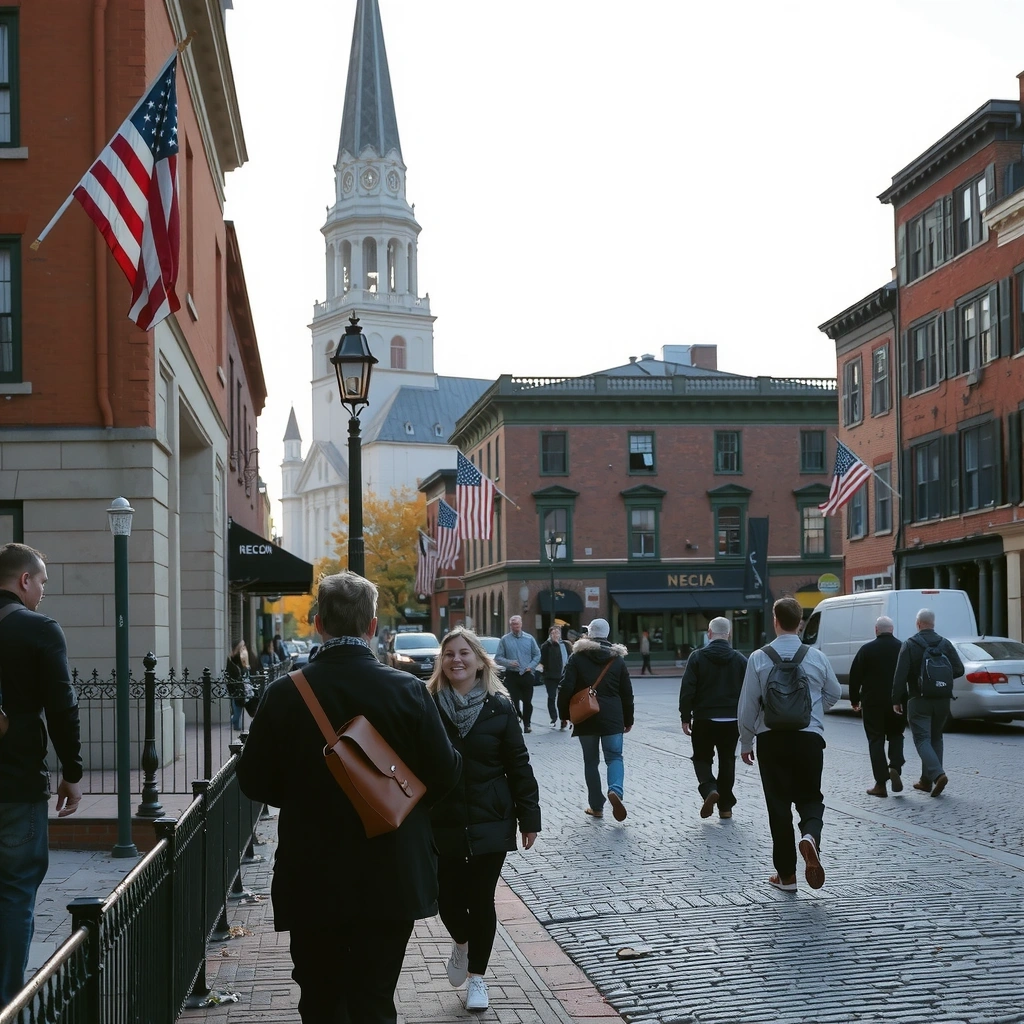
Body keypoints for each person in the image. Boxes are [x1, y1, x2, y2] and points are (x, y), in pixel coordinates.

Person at [236, 571, 462, 1023]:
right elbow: (446, 773)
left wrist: (306, 794)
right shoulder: (408, 690)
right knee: (375, 996)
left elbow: (254, 782)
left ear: (318, 623)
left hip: (312, 871)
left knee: (320, 998)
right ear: (372, 626)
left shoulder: (283, 695)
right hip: (391, 869)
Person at [427, 627, 541, 1012]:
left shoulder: (499, 706)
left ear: (479, 661)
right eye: (449, 654)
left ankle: (478, 978)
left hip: (492, 816)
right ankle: (461, 942)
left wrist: (530, 817)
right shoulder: (428, 704)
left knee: (481, 899)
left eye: (464, 653)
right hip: (441, 818)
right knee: (446, 898)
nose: (456, 660)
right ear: (441, 663)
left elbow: (518, 763)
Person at [0, 543, 83, 1006]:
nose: (43, 593)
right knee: (14, 892)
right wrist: (72, 770)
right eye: (43, 583)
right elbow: (62, 705)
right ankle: (9, 1002)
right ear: (24, 580)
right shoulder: (38, 630)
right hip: (16, 784)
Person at [737, 596, 841, 892]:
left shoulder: (758, 657)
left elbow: (747, 706)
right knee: (811, 797)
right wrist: (814, 712)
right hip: (809, 738)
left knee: (778, 806)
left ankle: (787, 877)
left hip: (771, 740)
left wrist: (746, 741)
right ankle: (809, 836)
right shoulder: (816, 656)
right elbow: (834, 692)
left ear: (775, 620)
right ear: (801, 623)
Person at [557, 617, 634, 821]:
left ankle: (596, 806)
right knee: (615, 757)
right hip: (613, 717)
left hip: (586, 715)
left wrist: (564, 714)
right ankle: (615, 790)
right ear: (608, 634)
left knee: (590, 762)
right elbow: (627, 693)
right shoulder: (617, 659)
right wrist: (628, 719)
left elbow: (565, 687)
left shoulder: (577, 657)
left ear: (589, 633)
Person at [678, 617, 747, 819]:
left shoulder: (697, 657)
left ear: (709, 633)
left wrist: (685, 716)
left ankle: (709, 789)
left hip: (705, 718)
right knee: (727, 761)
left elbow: (687, 689)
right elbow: (749, 693)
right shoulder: (740, 660)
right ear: (729, 634)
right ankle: (725, 807)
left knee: (701, 758)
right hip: (731, 720)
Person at [891, 608, 964, 798]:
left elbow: (900, 676)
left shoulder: (910, 644)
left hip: (918, 698)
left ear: (918, 623)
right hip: (942, 700)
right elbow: (959, 669)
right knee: (936, 737)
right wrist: (940, 679)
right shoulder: (945, 644)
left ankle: (938, 775)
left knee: (922, 738)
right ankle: (926, 781)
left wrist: (896, 699)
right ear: (933, 623)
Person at [849, 616, 906, 797]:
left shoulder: (867, 650)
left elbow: (855, 675)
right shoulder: (903, 648)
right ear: (892, 630)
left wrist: (854, 700)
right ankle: (895, 766)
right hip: (897, 701)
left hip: (872, 702)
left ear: (876, 630)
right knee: (897, 734)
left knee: (876, 739)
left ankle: (880, 784)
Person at [494, 615, 541, 733]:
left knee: (527, 701)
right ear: (510, 626)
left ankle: (527, 724)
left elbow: (537, 654)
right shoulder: (505, 640)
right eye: (513, 624)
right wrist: (509, 663)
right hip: (512, 675)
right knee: (513, 701)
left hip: (526, 674)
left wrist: (531, 666)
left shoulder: (529, 639)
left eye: (517, 624)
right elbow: (498, 658)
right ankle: (517, 719)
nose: (516, 627)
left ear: (521, 624)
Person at [538, 625, 572, 729]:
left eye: (557, 633)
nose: (555, 635)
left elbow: (570, 659)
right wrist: (543, 673)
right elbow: (542, 661)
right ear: (550, 634)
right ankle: (553, 718)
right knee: (552, 697)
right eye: (553, 633)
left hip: (563, 676)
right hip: (550, 677)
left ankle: (564, 719)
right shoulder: (546, 646)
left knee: (564, 698)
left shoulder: (566, 645)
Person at [225, 640, 256, 731]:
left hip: (244, 688)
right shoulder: (232, 661)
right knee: (237, 707)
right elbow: (232, 674)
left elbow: (246, 670)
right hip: (236, 688)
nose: (243, 649)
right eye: (241, 647)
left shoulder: (243, 658)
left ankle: (236, 724)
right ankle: (234, 722)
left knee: (240, 707)